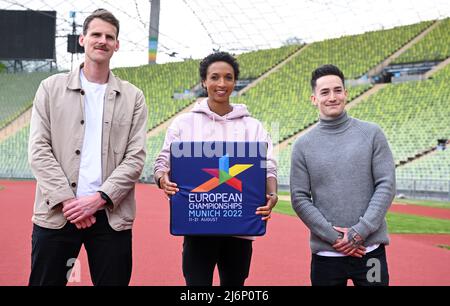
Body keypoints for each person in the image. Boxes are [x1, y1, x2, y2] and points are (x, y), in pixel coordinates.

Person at [28, 9, 147, 286]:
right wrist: (70, 202)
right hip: (58, 212)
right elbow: (38, 150)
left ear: (117, 45)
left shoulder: (133, 97)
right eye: (96, 34)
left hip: (110, 215)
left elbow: (136, 158)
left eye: (109, 36)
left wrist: (98, 199)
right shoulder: (50, 87)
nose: (102, 41)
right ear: (82, 39)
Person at [154, 51, 278, 286]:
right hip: (198, 227)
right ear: (204, 81)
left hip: (239, 228)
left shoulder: (253, 127)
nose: (222, 84)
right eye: (215, 77)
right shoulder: (184, 123)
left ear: (234, 81)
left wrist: (271, 194)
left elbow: (267, 167)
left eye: (228, 77)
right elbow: (162, 163)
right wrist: (163, 180)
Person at [290, 64, 396, 286]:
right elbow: (299, 198)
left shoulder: (372, 134)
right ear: (314, 99)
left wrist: (359, 233)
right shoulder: (302, 145)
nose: (332, 97)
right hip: (327, 258)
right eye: (325, 92)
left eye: (337, 90)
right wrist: (335, 237)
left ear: (346, 94)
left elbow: (386, 185)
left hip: (370, 254)